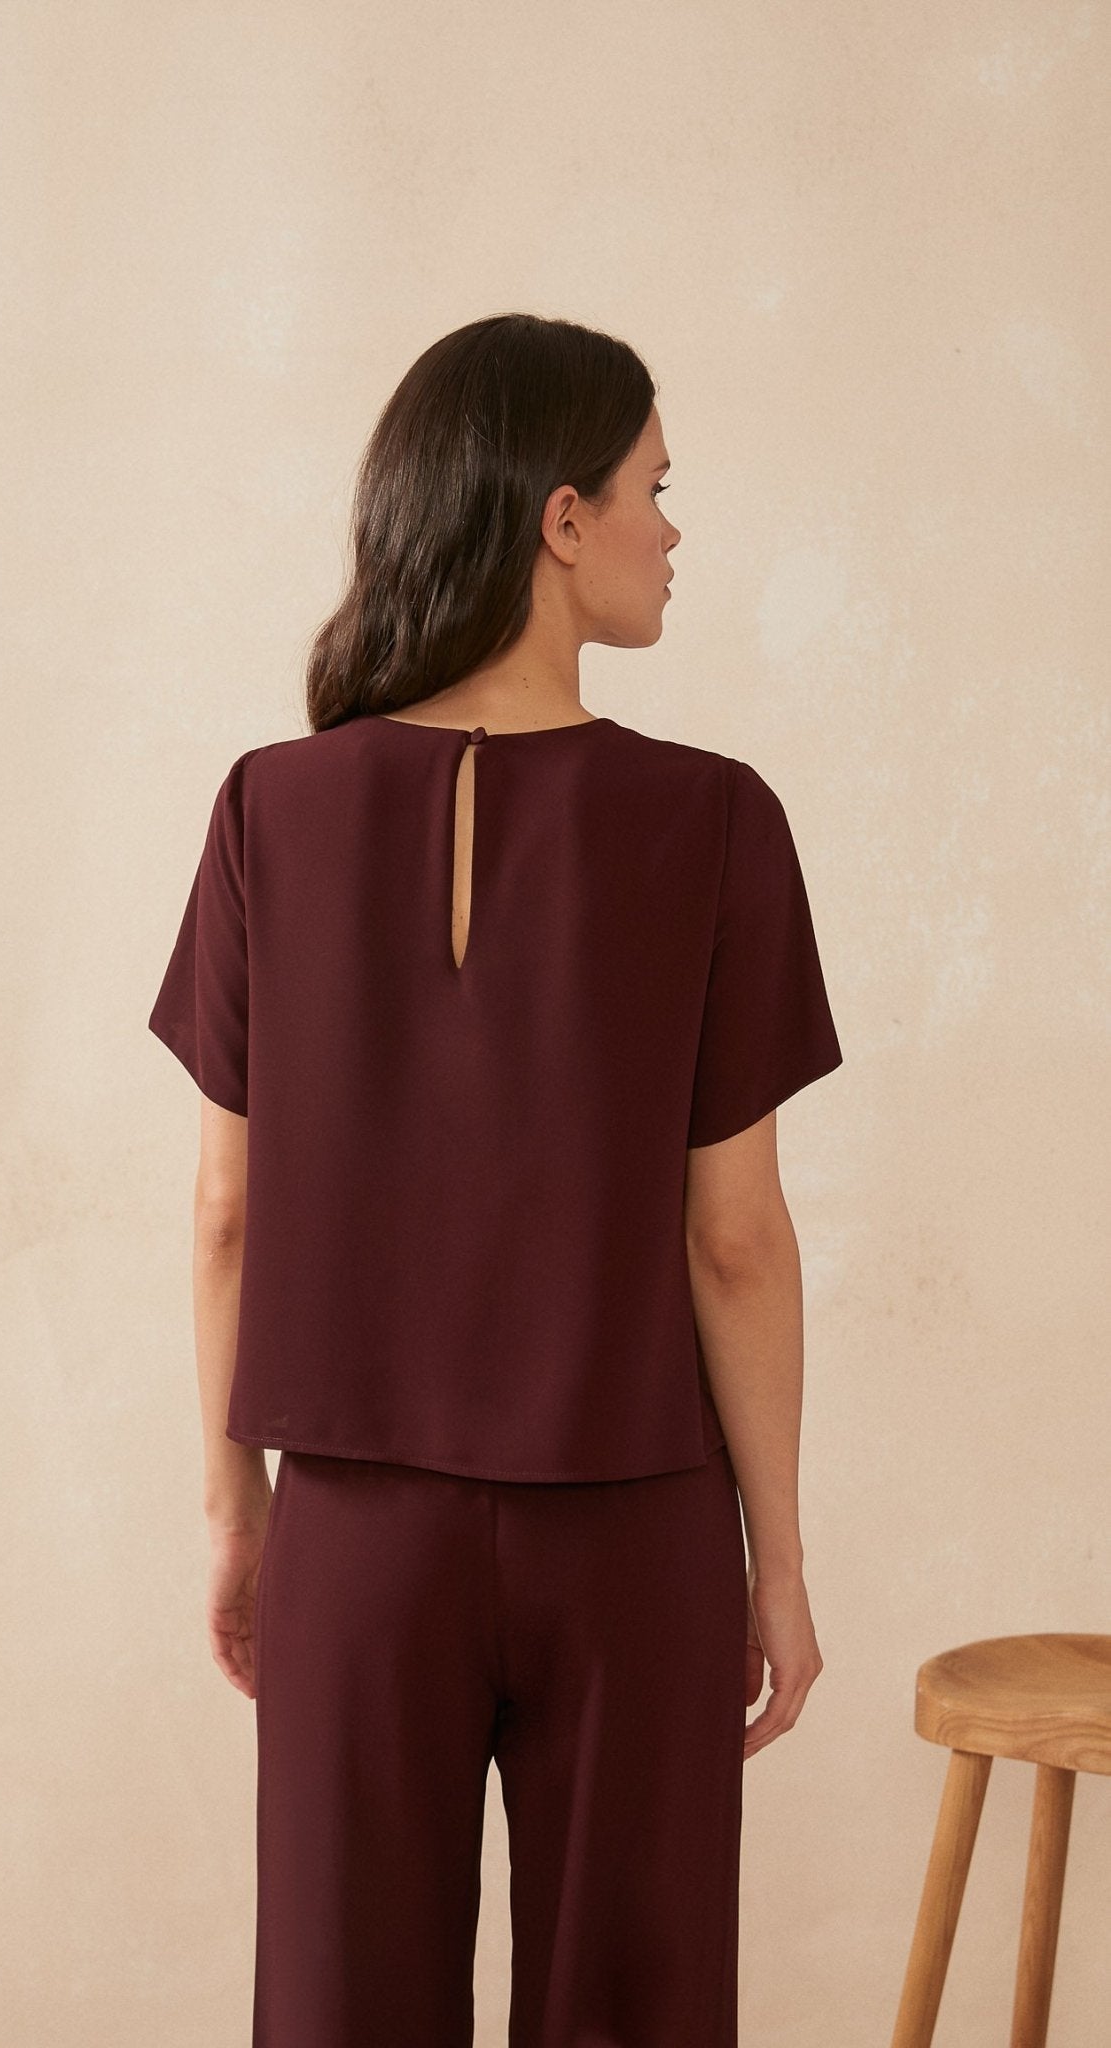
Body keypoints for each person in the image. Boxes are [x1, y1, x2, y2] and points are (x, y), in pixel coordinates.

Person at [148, 313, 844, 2047]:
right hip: (634, 1525)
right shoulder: (713, 822)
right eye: (653, 490)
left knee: (342, 2009)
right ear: (560, 517)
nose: (671, 530)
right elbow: (734, 1240)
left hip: (356, 1529)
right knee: (636, 2009)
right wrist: (773, 1561)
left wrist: (237, 1514)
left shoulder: (267, 810)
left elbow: (227, 1215)